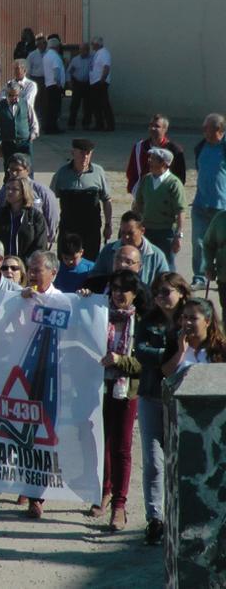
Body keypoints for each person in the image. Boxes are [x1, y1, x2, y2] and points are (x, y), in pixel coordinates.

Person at [87, 269, 149, 531]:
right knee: (100, 442)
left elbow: (146, 363)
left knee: (121, 448)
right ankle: (104, 491)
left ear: (135, 293)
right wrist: (84, 301)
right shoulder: (97, 312)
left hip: (126, 391)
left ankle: (120, 505)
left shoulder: (144, 322)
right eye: (114, 288)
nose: (118, 294)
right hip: (96, 387)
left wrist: (120, 361)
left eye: (124, 289)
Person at [134, 273, 191, 545]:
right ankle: (155, 518)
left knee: (181, 462)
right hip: (151, 396)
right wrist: (175, 353)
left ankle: (181, 517)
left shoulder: (193, 320)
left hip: (185, 401)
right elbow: (142, 354)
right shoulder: (148, 321)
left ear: (182, 292)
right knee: (154, 462)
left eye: (166, 291)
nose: (159, 297)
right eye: (157, 292)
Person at [19, 249, 63, 520]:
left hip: (51, 377)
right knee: (22, 431)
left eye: (38, 270)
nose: (33, 274)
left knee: (45, 434)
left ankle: (38, 495)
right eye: (30, 269)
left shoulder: (64, 301)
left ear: (53, 273)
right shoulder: (21, 298)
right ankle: (27, 484)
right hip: (24, 374)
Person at [51, 138, 113, 259]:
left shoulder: (98, 172)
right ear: (73, 153)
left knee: (91, 261)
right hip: (68, 227)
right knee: (66, 260)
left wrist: (108, 225)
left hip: (91, 228)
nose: (85, 157)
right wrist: (51, 226)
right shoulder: (62, 173)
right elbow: (51, 200)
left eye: (88, 153)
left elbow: (106, 200)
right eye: (81, 153)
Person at [131, 147, 186, 268]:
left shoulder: (174, 183)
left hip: (166, 232)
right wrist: (133, 224)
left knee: (167, 265)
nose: (149, 161)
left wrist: (178, 235)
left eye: (153, 159)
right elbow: (138, 205)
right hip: (146, 230)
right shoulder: (146, 179)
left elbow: (180, 211)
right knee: (143, 263)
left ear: (163, 163)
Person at [190, 114, 226, 290]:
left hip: (221, 207)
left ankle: (222, 278)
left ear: (218, 130)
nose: (203, 131)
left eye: (207, 128)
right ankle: (200, 277)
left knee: (221, 245)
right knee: (198, 242)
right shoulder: (201, 147)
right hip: (200, 205)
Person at [89, 212, 170, 287]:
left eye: (130, 233)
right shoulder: (108, 251)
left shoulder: (157, 256)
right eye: (123, 232)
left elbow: (165, 283)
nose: (126, 237)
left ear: (142, 231)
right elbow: (95, 276)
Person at [0, 154, 59, 246]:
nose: (13, 173)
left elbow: (52, 216)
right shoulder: (4, 192)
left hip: (36, 241)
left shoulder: (41, 191)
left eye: (17, 170)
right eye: (11, 170)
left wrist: (48, 238)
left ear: (27, 170)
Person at [0, 175, 48, 261]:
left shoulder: (35, 217)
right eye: (8, 188)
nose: (9, 192)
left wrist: (26, 264)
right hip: (2, 266)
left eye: (15, 189)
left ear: (24, 192)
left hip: (27, 268)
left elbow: (40, 246)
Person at [126, 114, 186, 194]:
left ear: (165, 129)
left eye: (157, 126)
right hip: (143, 197)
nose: (152, 128)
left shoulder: (175, 151)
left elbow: (180, 178)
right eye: (151, 125)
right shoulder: (139, 148)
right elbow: (131, 173)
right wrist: (136, 192)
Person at [0, 81, 38, 165]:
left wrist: (31, 137)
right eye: (11, 95)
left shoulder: (26, 104)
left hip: (24, 143)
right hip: (8, 144)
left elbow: (34, 123)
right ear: (6, 94)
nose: (14, 98)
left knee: (27, 170)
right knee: (9, 171)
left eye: (16, 95)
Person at [89, 36, 114, 131]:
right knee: (96, 104)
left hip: (100, 82)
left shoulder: (104, 53)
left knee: (104, 104)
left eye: (93, 44)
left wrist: (102, 79)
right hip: (95, 82)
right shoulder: (97, 53)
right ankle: (99, 124)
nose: (92, 46)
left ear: (97, 44)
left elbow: (106, 67)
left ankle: (110, 125)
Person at [41, 38, 66, 134]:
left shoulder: (46, 56)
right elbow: (56, 71)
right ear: (57, 46)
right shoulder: (55, 57)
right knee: (55, 108)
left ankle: (48, 126)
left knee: (50, 107)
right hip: (55, 85)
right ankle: (53, 127)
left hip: (48, 84)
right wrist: (59, 84)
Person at [67, 42, 92, 130]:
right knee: (74, 104)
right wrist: (69, 82)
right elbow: (69, 71)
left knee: (88, 105)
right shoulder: (75, 60)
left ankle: (86, 124)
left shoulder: (92, 59)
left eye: (85, 50)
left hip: (88, 84)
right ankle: (71, 123)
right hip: (78, 83)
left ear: (88, 50)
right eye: (81, 50)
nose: (83, 51)